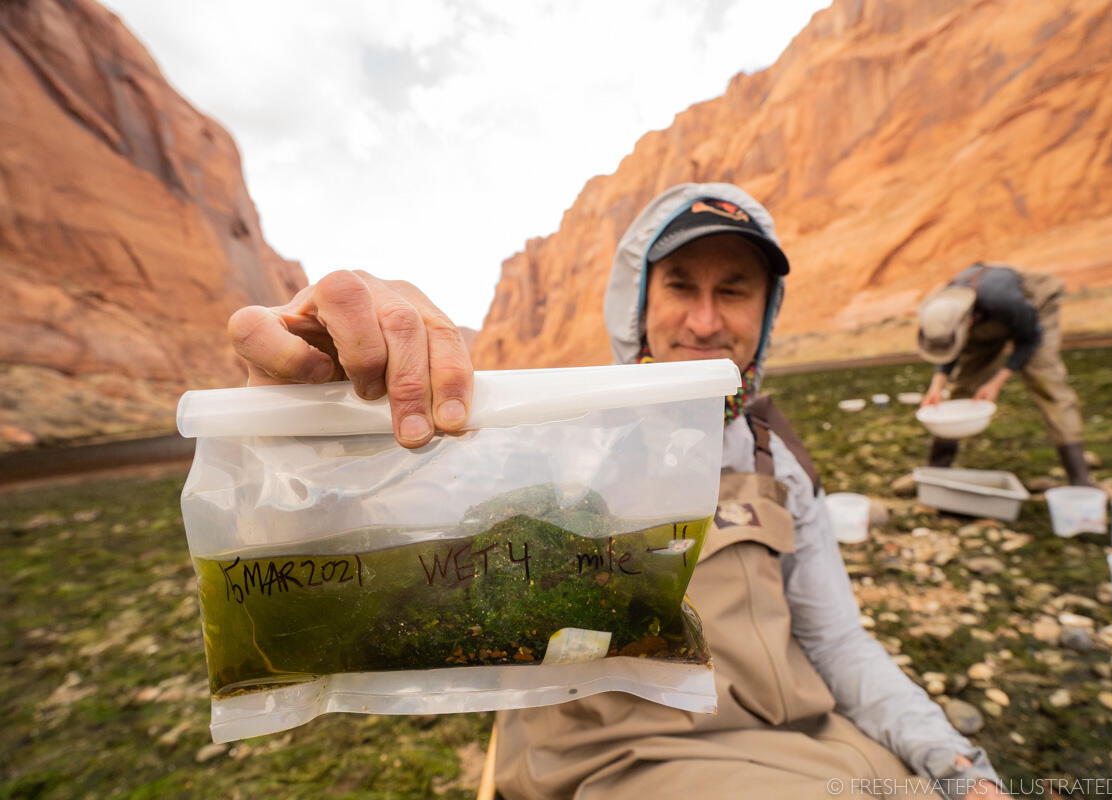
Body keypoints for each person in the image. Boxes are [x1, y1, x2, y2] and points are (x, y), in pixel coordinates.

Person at [228, 183, 1008, 800]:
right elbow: (362, 562)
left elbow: (838, 642)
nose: (706, 321)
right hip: (624, 764)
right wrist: (320, 428)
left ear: (765, 317)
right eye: (680, 286)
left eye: (734, 291)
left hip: (820, 749)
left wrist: (954, 762)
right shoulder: (559, 444)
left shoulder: (778, 458)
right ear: (637, 304)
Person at [916, 262, 1090, 485]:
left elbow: (1029, 339)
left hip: (1033, 312)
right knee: (963, 387)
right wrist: (937, 385)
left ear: (967, 322)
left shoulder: (1003, 300)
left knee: (1046, 381)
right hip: (984, 319)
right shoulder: (942, 309)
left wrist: (997, 382)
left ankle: (1080, 480)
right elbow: (948, 349)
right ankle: (936, 473)